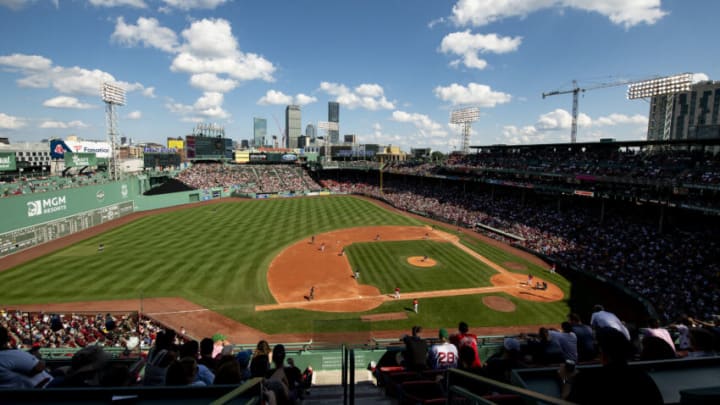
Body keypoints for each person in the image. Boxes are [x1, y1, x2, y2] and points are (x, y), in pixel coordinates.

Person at [559, 327, 663, 404]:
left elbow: (566, 401)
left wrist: (566, 380)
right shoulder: (643, 377)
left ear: (601, 351)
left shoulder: (588, 379)